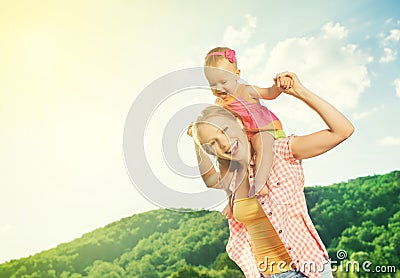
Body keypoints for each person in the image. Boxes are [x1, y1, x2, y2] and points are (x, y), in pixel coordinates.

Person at [189, 72, 354, 278]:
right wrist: (197, 139)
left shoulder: (280, 151)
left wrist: (300, 92)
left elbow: (343, 131)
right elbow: (209, 180)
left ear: (239, 123)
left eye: (224, 130)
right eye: (212, 143)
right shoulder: (234, 177)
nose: (223, 143)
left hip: (303, 270)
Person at [204, 47, 293, 197]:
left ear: (237, 75)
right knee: (229, 159)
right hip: (246, 135)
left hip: (266, 129)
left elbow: (269, 94)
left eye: (223, 82)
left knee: (260, 142)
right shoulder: (219, 103)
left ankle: (260, 183)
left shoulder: (246, 91)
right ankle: (231, 198)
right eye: (213, 85)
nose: (218, 88)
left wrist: (279, 86)